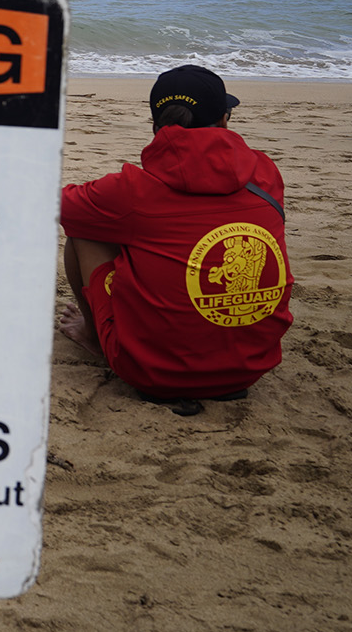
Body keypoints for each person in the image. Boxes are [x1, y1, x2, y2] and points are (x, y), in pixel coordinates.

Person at [58, 64, 292, 413]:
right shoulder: (266, 173)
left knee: (85, 230)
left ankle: (95, 336)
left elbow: (53, 205)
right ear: (225, 121)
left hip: (152, 372)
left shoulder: (131, 191)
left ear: (156, 127)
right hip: (248, 368)